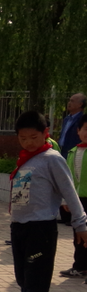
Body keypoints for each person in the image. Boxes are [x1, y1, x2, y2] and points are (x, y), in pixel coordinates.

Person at [2, 111, 87, 292]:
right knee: (23, 277)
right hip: (20, 226)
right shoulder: (26, 158)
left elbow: (70, 192)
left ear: (45, 134)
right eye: (23, 138)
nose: (28, 142)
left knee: (36, 279)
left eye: (33, 137)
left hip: (41, 228)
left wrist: (81, 224)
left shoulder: (52, 158)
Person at [61, 116, 87, 279]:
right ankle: (80, 266)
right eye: (85, 129)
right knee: (78, 234)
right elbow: (67, 179)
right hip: (78, 200)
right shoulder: (72, 152)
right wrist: (66, 199)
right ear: (78, 131)